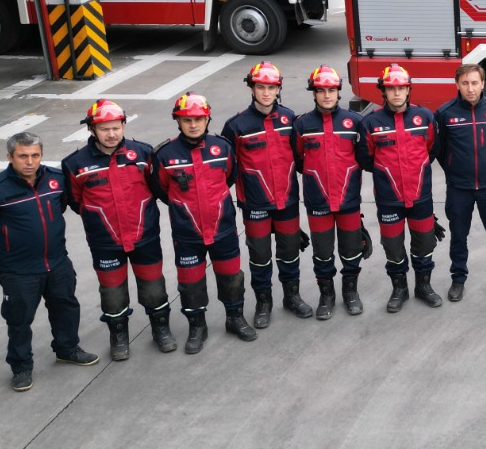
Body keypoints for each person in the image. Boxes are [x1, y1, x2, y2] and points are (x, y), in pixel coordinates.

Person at [0, 132, 98, 392]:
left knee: (66, 306)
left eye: (35, 155)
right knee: (19, 319)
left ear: (41, 155)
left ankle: (67, 349)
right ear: (10, 157)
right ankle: (21, 367)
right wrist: (6, 246)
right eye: (23, 156)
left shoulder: (57, 179)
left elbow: (62, 206)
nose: (29, 162)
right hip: (18, 270)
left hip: (57, 262)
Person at [61, 99, 170, 359]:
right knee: (112, 293)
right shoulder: (74, 164)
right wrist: (98, 219)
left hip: (145, 236)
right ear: (91, 130)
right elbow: (76, 202)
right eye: (104, 129)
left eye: (116, 128)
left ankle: (161, 329)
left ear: (123, 126)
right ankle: (119, 336)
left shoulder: (143, 153)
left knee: (154, 287)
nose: (111, 134)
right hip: (105, 242)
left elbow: (156, 188)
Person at [150, 93, 254, 354]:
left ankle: (235, 319)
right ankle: (197, 327)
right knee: (191, 283)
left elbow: (230, 176)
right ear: (177, 121)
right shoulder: (164, 154)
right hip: (187, 235)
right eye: (187, 120)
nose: (193, 124)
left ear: (208, 119)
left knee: (232, 278)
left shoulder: (223, 147)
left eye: (198, 119)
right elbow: (161, 189)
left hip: (223, 229)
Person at [220, 62, 314, 325]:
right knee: (260, 257)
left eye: (271, 87)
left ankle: (292, 297)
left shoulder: (290, 119)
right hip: (255, 205)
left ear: (278, 89)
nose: (266, 92)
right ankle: (264, 302)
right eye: (260, 87)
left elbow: (300, 155)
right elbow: (227, 168)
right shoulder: (236, 126)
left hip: (287, 200)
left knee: (290, 252)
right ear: (252, 88)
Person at [361, 63, 444, 311]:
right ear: (383, 91)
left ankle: (423, 286)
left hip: (420, 197)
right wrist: (387, 176)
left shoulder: (425, 117)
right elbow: (366, 158)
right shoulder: (370, 122)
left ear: (408, 90)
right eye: (391, 88)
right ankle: (400, 289)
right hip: (389, 199)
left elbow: (432, 150)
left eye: (401, 88)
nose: (396, 93)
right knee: (393, 247)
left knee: (424, 244)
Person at [292, 65, 371, 320]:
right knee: (322, 253)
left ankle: (350, 292)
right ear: (313, 93)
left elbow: (364, 157)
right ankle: (326, 296)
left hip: (349, 201)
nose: (327, 95)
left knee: (351, 251)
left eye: (331, 90)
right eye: (321, 90)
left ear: (339, 92)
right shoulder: (302, 124)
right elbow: (299, 160)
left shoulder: (355, 122)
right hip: (318, 202)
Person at [435, 63, 486, 302]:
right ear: (457, 84)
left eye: (475, 83)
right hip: (459, 188)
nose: (470, 88)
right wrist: (454, 171)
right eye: (465, 83)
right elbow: (440, 150)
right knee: (459, 236)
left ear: (483, 84)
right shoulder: (445, 113)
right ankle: (458, 279)